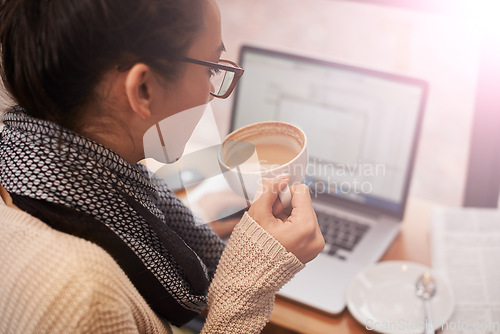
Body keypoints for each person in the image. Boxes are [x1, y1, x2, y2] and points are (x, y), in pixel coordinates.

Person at [0, 0, 325, 333]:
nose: (213, 92)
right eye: (211, 69)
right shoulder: (88, 300)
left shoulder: (27, 167)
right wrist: (246, 286)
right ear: (143, 89)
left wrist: (209, 229)